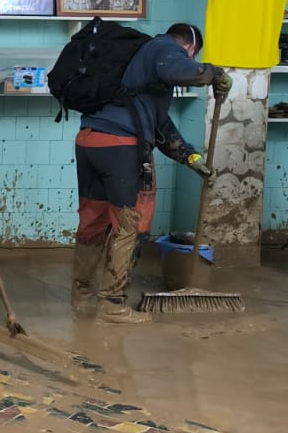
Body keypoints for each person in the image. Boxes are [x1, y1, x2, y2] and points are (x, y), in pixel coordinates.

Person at [72, 22, 231, 323]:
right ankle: (113, 304)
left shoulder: (135, 66)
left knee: (93, 220)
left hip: (90, 141)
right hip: (121, 149)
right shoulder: (165, 47)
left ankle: (81, 295)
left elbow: (159, 125)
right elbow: (179, 70)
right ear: (190, 47)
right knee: (129, 225)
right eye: (192, 57)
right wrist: (214, 73)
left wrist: (189, 156)